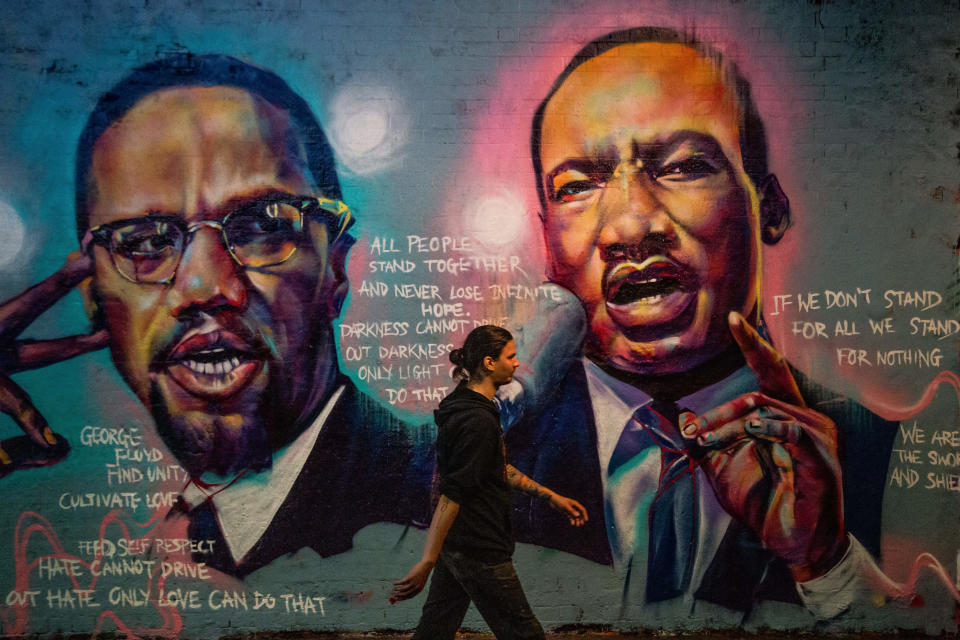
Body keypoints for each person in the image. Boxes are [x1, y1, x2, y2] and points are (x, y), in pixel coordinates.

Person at [504, 27, 898, 617]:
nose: (631, 228)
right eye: (577, 186)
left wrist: (826, 564)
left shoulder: (883, 457)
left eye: (685, 166)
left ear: (771, 208)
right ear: (545, 239)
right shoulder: (486, 454)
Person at [0, 53, 432, 577]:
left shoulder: (438, 493)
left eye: (266, 224)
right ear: (93, 298)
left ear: (336, 271)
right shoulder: (191, 535)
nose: (205, 287)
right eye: (145, 241)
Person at [392, 325, 588, 639]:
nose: (516, 363)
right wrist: (427, 560)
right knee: (524, 633)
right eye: (510, 357)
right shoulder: (477, 421)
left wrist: (549, 496)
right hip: (480, 548)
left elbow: (492, 467)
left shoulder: (466, 406)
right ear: (488, 363)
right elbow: (451, 494)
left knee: (435, 631)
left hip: (458, 545)